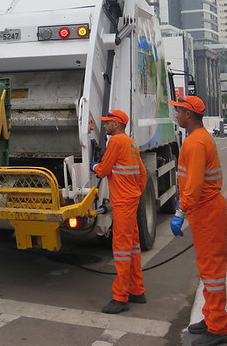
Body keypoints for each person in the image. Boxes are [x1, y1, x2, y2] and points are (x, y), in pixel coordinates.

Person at [168, 96, 227, 346]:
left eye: (178, 111)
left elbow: (194, 185)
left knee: (212, 271)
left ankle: (219, 328)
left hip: (206, 210)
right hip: (205, 210)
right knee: (208, 270)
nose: (176, 115)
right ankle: (210, 318)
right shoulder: (198, 138)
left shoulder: (196, 142)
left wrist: (179, 212)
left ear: (189, 114)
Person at [90, 109, 147, 314]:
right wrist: (135, 192)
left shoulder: (116, 141)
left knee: (122, 248)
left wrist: (95, 166)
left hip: (123, 201)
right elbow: (142, 173)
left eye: (107, 123)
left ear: (116, 124)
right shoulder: (131, 143)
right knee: (132, 245)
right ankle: (137, 290)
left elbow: (104, 170)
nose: (104, 126)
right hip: (131, 199)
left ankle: (120, 297)